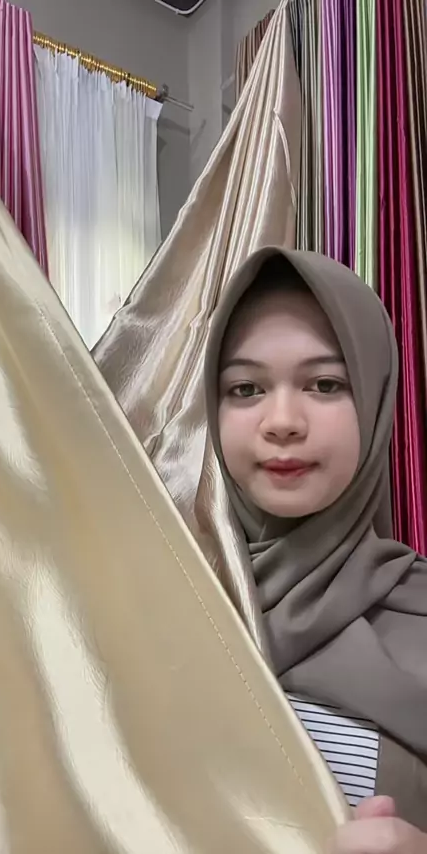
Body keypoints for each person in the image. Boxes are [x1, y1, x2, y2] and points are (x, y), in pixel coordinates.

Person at [204, 247, 427, 849]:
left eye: (325, 384)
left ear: (375, 402)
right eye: (246, 388)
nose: (282, 421)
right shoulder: (162, 604)